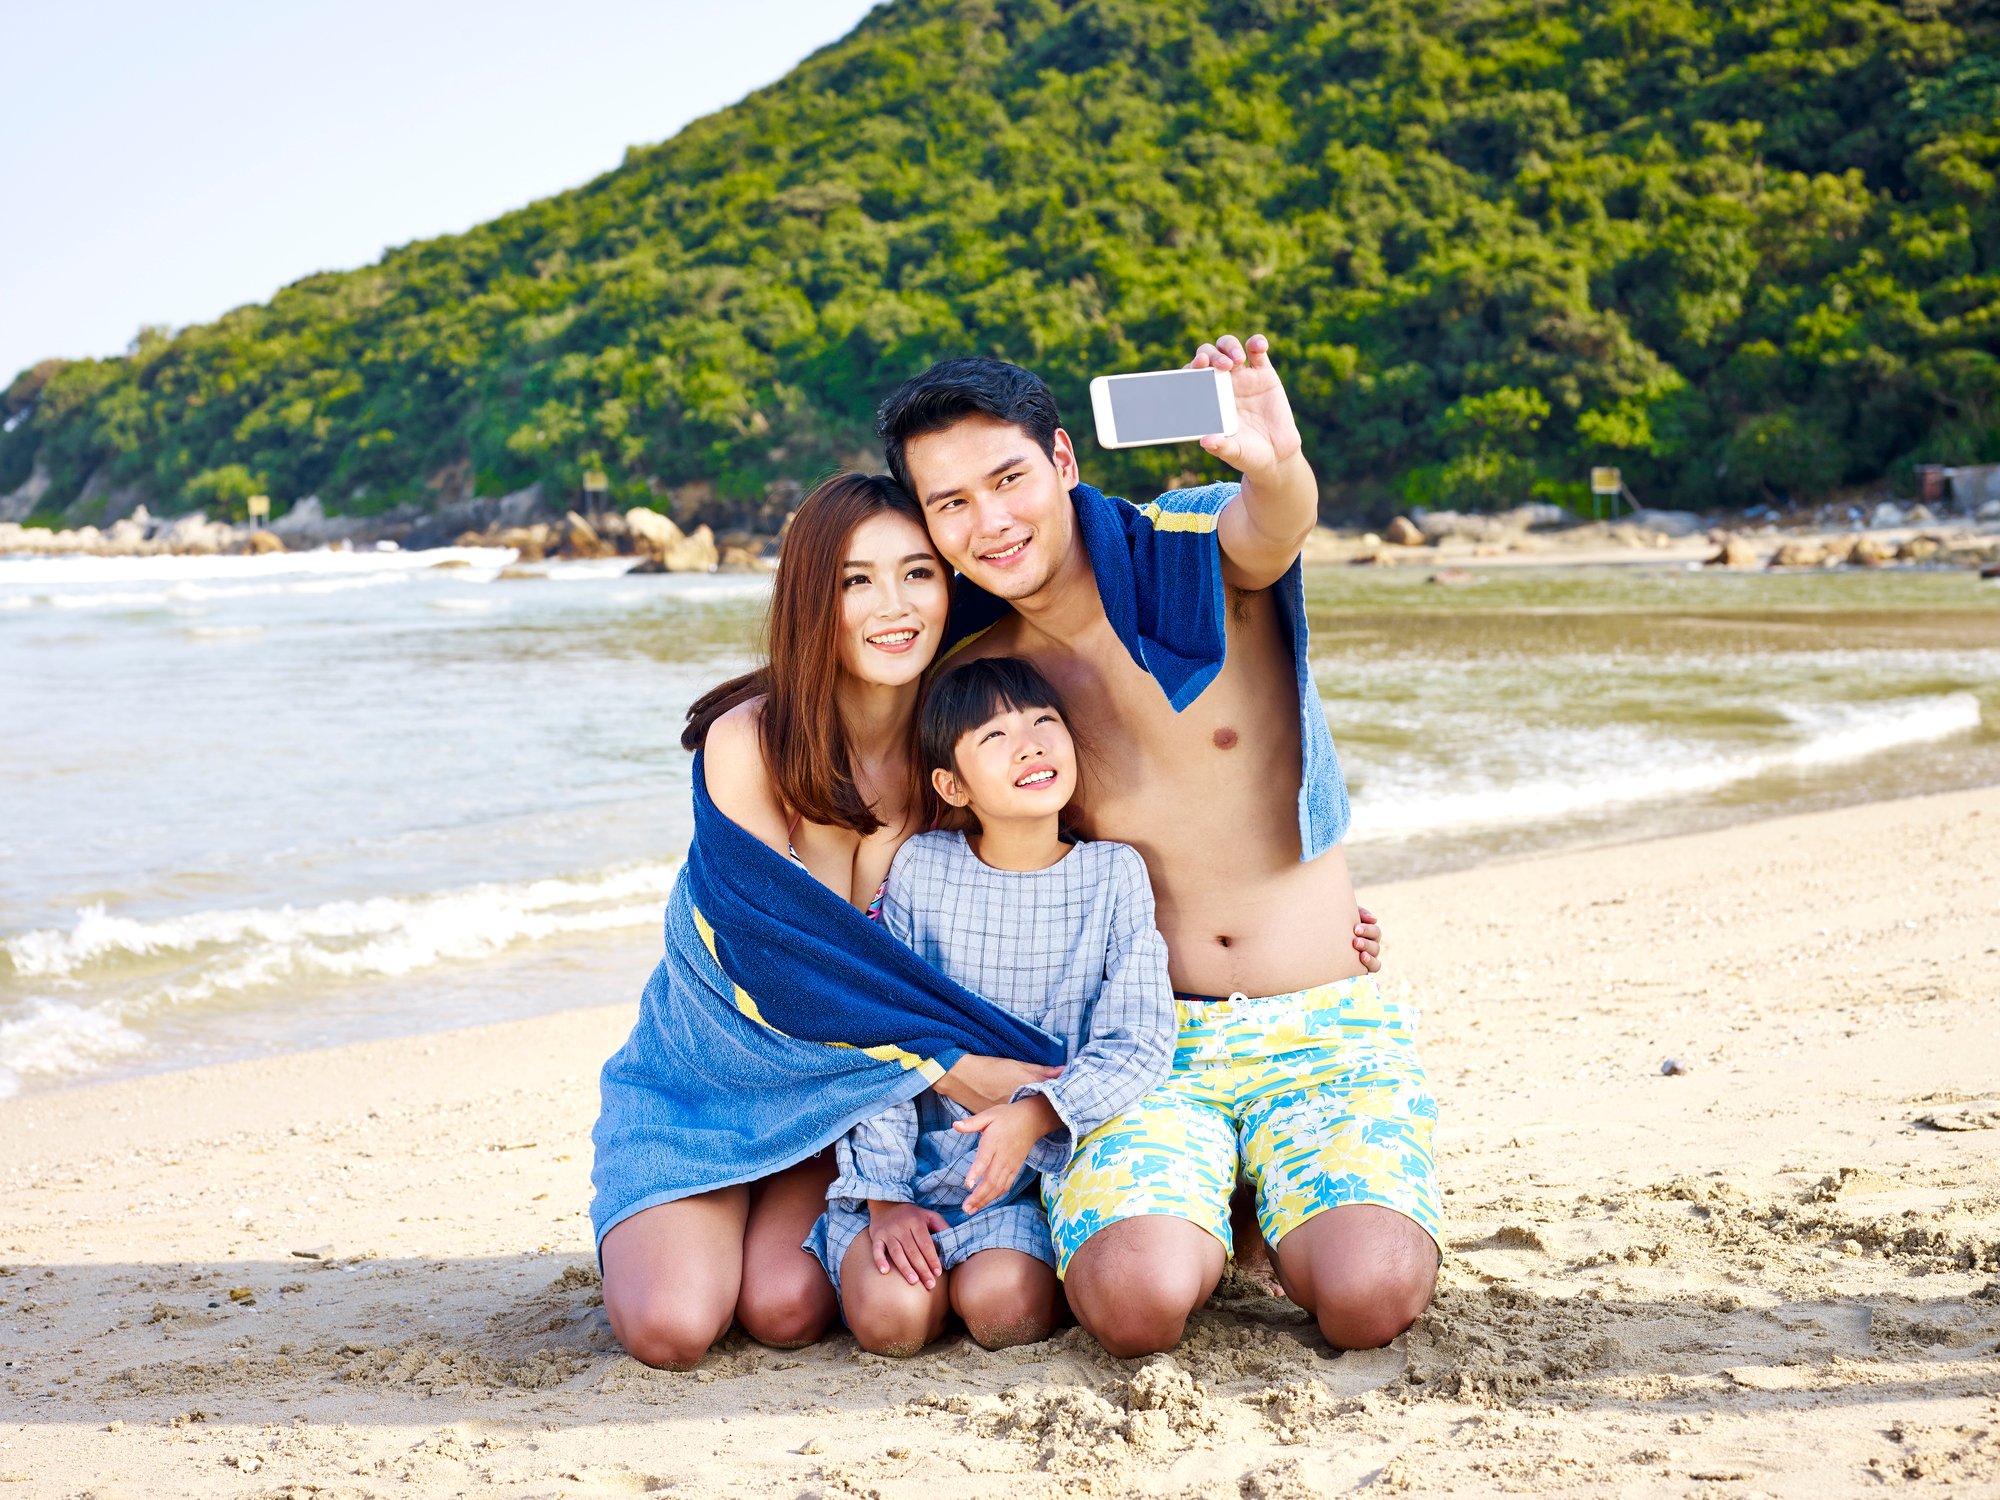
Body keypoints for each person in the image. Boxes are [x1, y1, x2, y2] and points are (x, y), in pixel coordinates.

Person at [591, 468, 1393, 1368]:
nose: (892, 606)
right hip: (713, 1073)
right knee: (670, 1328)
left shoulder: (964, 746)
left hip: (848, 1099)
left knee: (783, 1307)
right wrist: (980, 1069)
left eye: (918, 574)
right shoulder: (753, 739)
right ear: (813, 599)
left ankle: (1228, 1196)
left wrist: (1309, 912)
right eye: (856, 580)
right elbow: (773, 969)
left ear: (950, 587)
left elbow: (1090, 863)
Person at [876, 335, 1440, 1357]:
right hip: (1140, 1050)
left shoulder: (1182, 551)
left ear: (1061, 462)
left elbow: (1272, 525)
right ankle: (1214, 1202)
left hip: (1314, 1023)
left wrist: (1272, 462)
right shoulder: (988, 685)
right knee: (1131, 1307)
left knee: (1369, 1296)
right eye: (948, 503)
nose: (988, 522)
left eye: (1006, 479)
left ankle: (1262, 1201)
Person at [807, 656, 1173, 1355]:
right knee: (893, 1323)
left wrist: (1034, 1113)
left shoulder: (1113, 874)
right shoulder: (923, 866)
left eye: (1043, 722)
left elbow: (1140, 1038)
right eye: (994, 736)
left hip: (1019, 1178)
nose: (1031, 743)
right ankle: (886, 1250)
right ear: (951, 784)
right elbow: (885, 1030)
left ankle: (980, 1269)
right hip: (905, 1165)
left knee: (1005, 1312)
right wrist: (885, 1198)